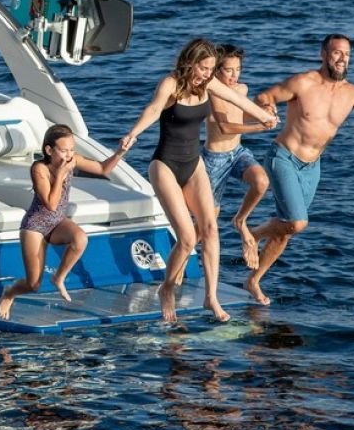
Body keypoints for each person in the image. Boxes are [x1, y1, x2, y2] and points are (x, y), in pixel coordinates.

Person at [245, 33, 354, 305]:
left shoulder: (352, 93)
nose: (342, 58)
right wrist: (268, 108)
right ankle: (252, 234)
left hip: (312, 167)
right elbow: (265, 95)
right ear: (323, 54)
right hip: (283, 157)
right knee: (297, 222)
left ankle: (253, 280)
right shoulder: (304, 82)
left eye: (347, 54)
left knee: (288, 228)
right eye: (337, 53)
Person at [118, 39, 278, 324]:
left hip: (194, 164)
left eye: (211, 69)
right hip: (165, 165)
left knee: (211, 229)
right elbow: (154, 110)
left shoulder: (208, 84)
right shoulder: (170, 83)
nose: (207, 74)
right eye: (203, 68)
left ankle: (211, 297)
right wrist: (133, 133)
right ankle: (167, 287)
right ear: (190, 62)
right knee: (188, 238)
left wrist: (263, 116)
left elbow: (238, 100)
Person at [0, 124, 125, 319]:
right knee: (33, 284)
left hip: (57, 222)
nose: (69, 155)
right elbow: (51, 204)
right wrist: (61, 175)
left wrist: (120, 152)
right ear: (49, 150)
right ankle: (10, 293)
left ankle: (59, 277)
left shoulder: (72, 160)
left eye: (72, 150)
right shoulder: (39, 169)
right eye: (64, 150)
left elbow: (102, 168)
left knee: (80, 239)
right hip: (35, 227)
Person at [204, 44, 274, 269]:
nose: (234, 75)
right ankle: (182, 259)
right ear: (216, 70)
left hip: (237, 153)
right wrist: (260, 126)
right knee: (208, 223)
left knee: (261, 181)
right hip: (215, 159)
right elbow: (225, 127)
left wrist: (265, 113)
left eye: (238, 69)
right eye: (228, 70)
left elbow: (241, 117)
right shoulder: (212, 93)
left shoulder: (242, 89)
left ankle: (240, 220)